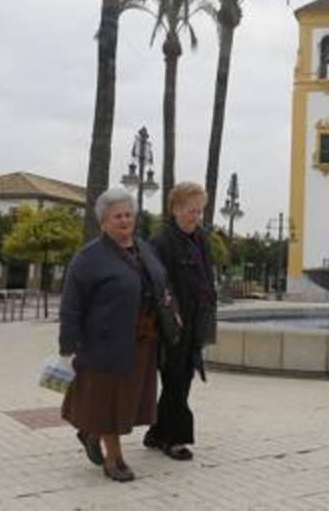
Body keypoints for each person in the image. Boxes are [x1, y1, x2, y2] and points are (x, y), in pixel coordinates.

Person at [59, 187, 180, 482]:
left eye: (128, 215)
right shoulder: (88, 258)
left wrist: (172, 312)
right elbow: (71, 303)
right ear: (103, 222)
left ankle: (90, 433)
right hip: (104, 344)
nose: (125, 221)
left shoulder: (143, 248)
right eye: (117, 216)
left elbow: (162, 284)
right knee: (111, 402)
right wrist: (67, 344)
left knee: (125, 401)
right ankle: (114, 459)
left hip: (142, 340)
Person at [143, 182, 217, 461]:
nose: (195, 217)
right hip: (171, 326)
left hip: (194, 324)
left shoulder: (200, 239)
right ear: (175, 208)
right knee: (176, 381)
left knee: (181, 379)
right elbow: (155, 285)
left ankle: (156, 432)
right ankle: (174, 439)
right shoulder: (161, 241)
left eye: (199, 211)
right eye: (190, 210)